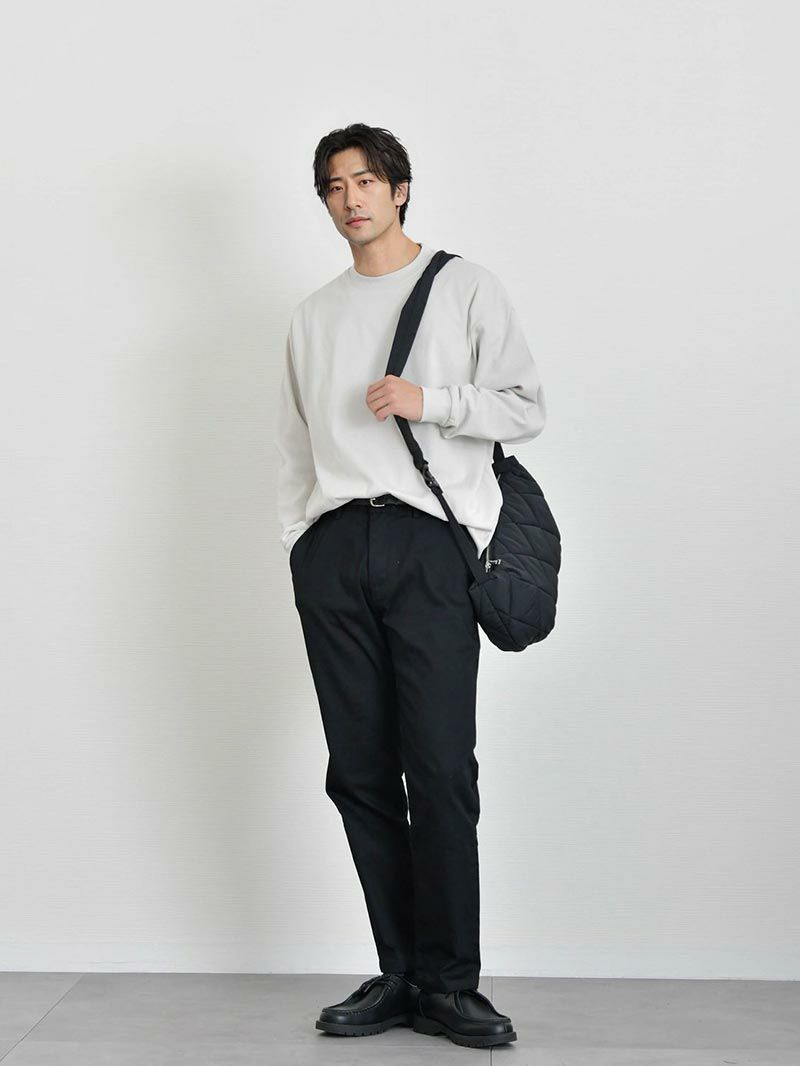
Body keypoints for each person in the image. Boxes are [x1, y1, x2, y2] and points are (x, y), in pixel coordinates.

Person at [273, 123, 546, 1049]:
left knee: (438, 770)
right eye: (333, 186)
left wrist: (431, 402)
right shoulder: (312, 316)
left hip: (430, 547)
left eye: (366, 181)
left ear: (398, 190)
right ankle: (398, 974)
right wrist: (301, 543)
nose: (350, 198)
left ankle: (451, 983)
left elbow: (526, 406)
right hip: (334, 549)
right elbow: (294, 445)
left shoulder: (464, 286)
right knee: (357, 772)